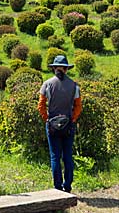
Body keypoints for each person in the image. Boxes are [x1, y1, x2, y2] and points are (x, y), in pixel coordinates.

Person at [38, 55, 82, 193]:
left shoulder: (46, 84)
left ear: (54, 68)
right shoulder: (75, 86)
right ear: (66, 69)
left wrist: (47, 119)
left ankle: (57, 188)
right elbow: (78, 106)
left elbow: (41, 105)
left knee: (55, 156)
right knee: (67, 156)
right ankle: (67, 186)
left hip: (52, 125)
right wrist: (72, 119)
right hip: (68, 125)